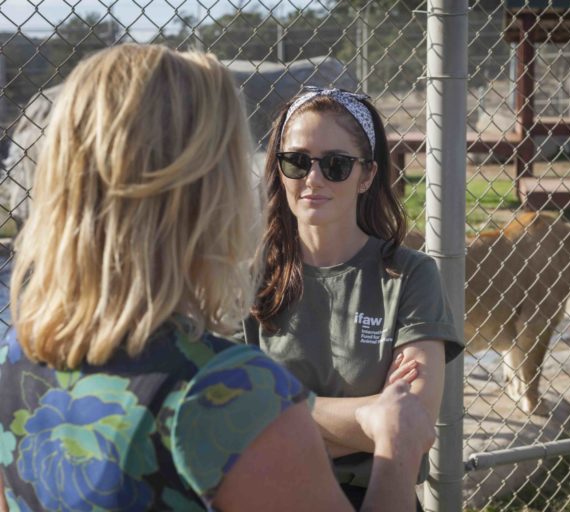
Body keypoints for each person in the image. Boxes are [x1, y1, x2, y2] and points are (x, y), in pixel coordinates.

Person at [0, 44, 436, 512]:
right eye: (289, 160)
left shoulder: (19, 362)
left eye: (335, 164)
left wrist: (306, 412)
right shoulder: (230, 395)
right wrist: (394, 443)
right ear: (209, 189)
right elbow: (402, 415)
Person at [245, 87, 464, 509]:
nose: (313, 179)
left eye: (336, 165)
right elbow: (231, 423)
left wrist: (276, 415)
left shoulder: (410, 276)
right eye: (297, 161)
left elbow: (410, 423)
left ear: (366, 175)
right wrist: (371, 417)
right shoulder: (248, 279)